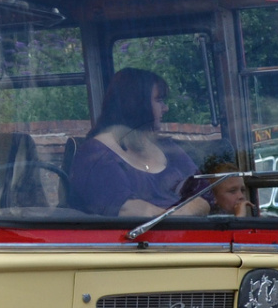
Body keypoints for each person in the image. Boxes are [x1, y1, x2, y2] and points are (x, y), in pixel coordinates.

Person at [70, 68, 203, 218]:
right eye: (159, 101)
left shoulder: (168, 147)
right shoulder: (95, 155)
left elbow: (203, 192)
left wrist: (190, 211)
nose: (166, 108)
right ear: (136, 104)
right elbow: (126, 209)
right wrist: (182, 217)